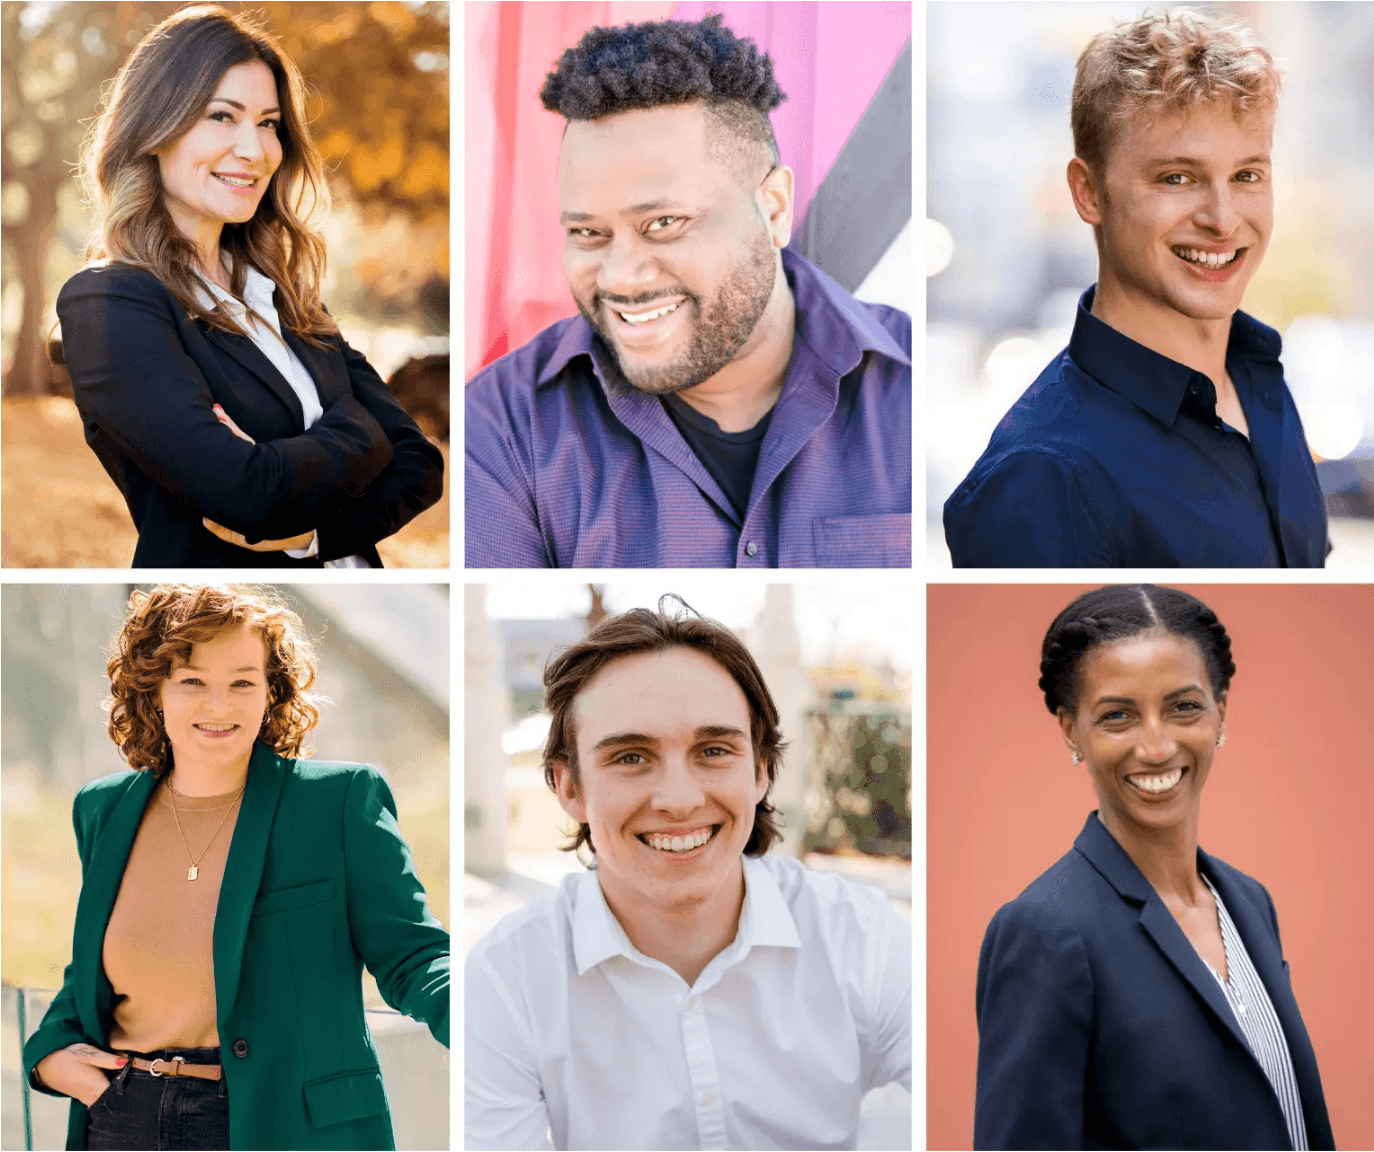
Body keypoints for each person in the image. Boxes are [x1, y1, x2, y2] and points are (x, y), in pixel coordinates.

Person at [465, 14, 911, 568]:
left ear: (773, 209)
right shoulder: (500, 427)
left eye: (664, 223)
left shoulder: (918, 385)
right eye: (588, 233)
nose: (620, 277)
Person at [466, 603, 911, 1149]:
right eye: (630, 757)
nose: (679, 800)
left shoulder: (866, 938)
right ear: (569, 788)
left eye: (714, 750)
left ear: (761, 771)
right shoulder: (505, 981)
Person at [21, 585, 449, 1150]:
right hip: (122, 1117)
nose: (219, 706)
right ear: (154, 692)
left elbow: (412, 955)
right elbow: (95, 969)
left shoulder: (338, 802)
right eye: (193, 681)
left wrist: (485, 1014)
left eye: (242, 682)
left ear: (271, 693)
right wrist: (49, 1054)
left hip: (286, 1125)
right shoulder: (101, 810)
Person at [56, 6, 443, 568]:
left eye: (267, 123)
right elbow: (246, 495)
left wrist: (314, 536)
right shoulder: (110, 302)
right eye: (221, 116)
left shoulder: (285, 296)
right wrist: (362, 428)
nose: (255, 149)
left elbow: (418, 464)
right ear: (153, 128)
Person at [943, 10, 1328, 568]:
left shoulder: (1259, 376)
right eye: (1177, 178)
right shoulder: (1044, 477)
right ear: (1088, 193)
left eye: (1247, 175)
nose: (1223, 220)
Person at [974, 584, 1332, 1150]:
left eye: (1183, 706)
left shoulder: (1249, 902)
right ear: (1072, 731)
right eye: (1118, 716)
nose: (1157, 746)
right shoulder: (1044, 929)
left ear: (1220, 713)